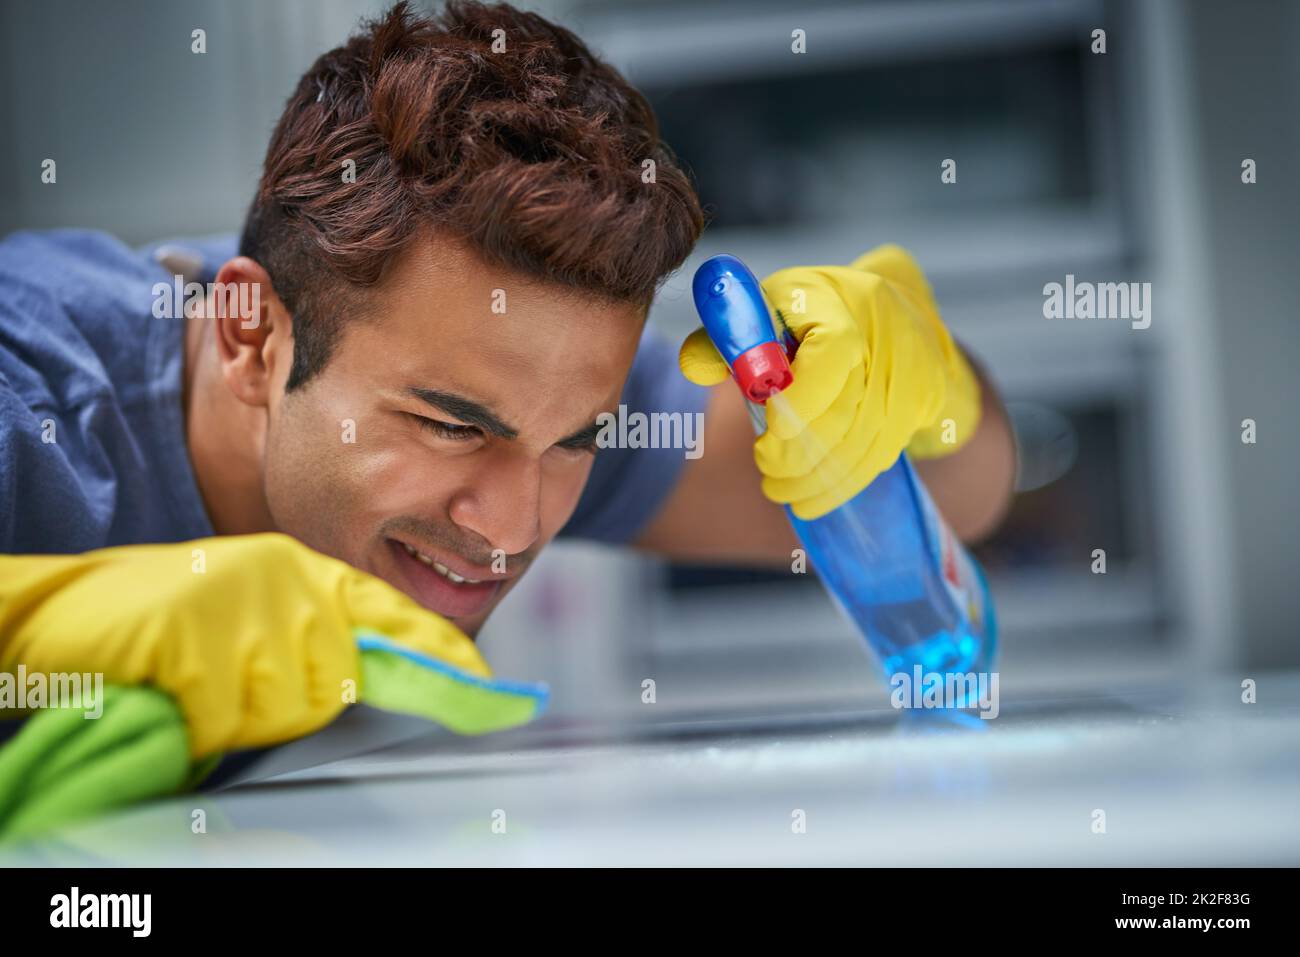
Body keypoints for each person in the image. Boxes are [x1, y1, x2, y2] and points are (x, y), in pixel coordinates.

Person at [0, 2, 1016, 829]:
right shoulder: (26, 407)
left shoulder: (517, 383)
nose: (513, 526)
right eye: (450, 426)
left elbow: (958, 499)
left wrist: (930, 390)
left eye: (577, 440)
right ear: (248, 339)